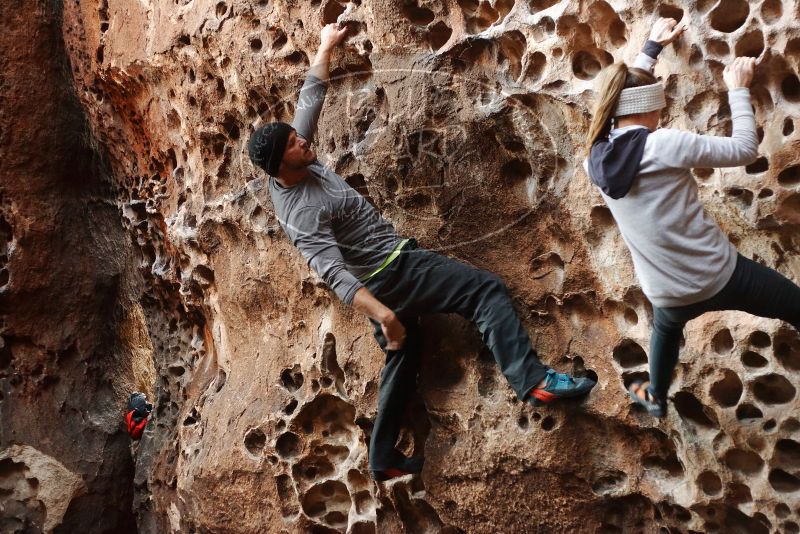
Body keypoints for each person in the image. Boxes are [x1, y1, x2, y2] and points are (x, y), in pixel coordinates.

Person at [248, 23, 596, 480]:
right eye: (294, 143)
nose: (303, 139)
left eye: (298, 136)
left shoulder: (293, 161)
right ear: (279, 165)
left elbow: (310, 96)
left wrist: (325, 46)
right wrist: (386, 316)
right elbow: (332, 273)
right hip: (394, 271)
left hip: (384, 276)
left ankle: (381, 458)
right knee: (485, 291)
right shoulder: (301, 211)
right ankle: (531, 381)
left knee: (404, 352)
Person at [584, 17, 800, 417]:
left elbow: (624, 100)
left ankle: (656, 398)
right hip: (721, 277)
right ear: (650, 108)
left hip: (666, 292)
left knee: (665, 331)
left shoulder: (595, 157)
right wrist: (737, 89)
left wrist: (650, 50)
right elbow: (742, 151)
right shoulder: (664, 144)